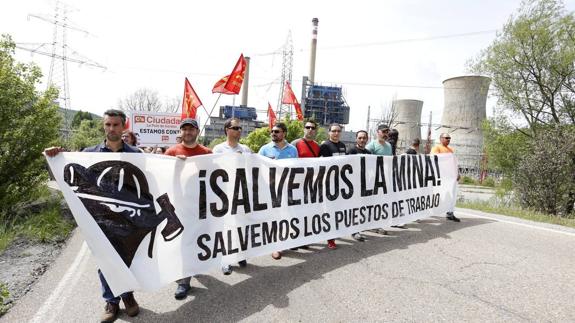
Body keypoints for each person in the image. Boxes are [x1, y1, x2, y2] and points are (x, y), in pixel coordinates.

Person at [45, 109, 140, 323]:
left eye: (116, 125)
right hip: (99, 219)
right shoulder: (89, 153)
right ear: (103, 126)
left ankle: (128, 296)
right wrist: (54, 157)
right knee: (105, 260)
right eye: (108, 124)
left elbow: (151, 181)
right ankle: (111, 302)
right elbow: (65, 177)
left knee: (127, 260)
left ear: (123, 126)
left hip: (127, 219)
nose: (112, 128)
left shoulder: (136, 154)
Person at [164, 118, 213, 299]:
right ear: (181, 132)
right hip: (180, 206)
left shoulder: (207, 153)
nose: (188, 132)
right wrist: (175, 166)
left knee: (199, 240)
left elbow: (214, 176)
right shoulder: (171, 152)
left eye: (191, 129)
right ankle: (183, 282)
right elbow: (163, 176)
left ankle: (196, 267)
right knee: (184, 242)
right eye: (184, 129)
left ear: (197, 131)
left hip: (201, 206)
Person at [212, 118, 251, 273]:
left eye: (240, 128)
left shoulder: (246, 149)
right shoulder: (218, 149)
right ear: (227, 130)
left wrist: (245, 160)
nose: (238, 130)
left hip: (241, 193)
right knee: (225, 227)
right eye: (235, 128)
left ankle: (240, 254)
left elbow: (252, 169)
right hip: (223, 194)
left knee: (240, 225)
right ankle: (225, 260)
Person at [258, 122, 298, 259]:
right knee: (273, 218)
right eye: (272, 131)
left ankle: (282, 243)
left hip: (286, 189)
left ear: (284, 133)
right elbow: (258, 167)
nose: (273, 133)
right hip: (270, 190)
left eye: (277, 131)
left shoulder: (292, 149)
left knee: (285, 217)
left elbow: (296, 168)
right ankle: (274, 246)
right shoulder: (264, 149)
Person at [290, 119, 320, 249]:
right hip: (296, 183)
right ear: (304, 129)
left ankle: (303, 239)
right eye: (308, 127)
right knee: (294, 212)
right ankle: (293, 238)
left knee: (307, 212)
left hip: (311, 184)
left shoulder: (317, 146)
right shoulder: (295, 144)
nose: (310, 130)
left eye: (313, 128)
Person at [319, 123, 347, 249]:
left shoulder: (342, 146)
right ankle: (330, 239)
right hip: (328, 184)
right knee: (329, 211)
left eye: (338, 131)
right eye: (334, 131)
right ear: (329, 132)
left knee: (338, 210)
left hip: (340, 183)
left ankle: (333, 233)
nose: (336, 133)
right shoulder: (325, 146)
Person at [365, 124, 392, 235]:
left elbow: (390, 161)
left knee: (380, 202)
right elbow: (365, 162)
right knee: (372, 202)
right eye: (383, 131)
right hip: (372, 179)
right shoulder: (371, 146)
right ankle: (370, 224)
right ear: (378, 132)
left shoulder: (389, 146)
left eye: (387, 132)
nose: (385, 134)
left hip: (384, 179)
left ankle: (376, 223)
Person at [347, 130, 372, 241]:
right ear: (356, 139)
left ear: (367, 139)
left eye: (364, 138)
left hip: (364, 185)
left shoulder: (368, 153)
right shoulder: (351, 151)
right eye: (360, 138)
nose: (362, 140)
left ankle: (360, 227)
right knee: (354, 208)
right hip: (353, 185)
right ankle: (354, 231)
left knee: (362, 208)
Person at [431, 133, 461, 222]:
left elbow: (454, 163)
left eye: (449, 138)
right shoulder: (436, 148)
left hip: (450, 176)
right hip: (441, 176)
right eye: (447, 138)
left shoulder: (450, 150)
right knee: (437, 194)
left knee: (451, 194)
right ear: (441, 139)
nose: (448, 139)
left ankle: (450, 213)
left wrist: (457, 173)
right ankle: (429, 210)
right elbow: (434, 160)